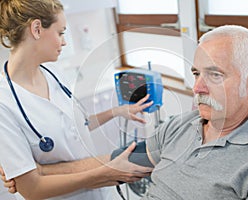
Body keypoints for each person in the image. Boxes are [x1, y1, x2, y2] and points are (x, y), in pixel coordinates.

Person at [2, 23, 248, 199]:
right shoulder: (181, 126)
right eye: (196, 74)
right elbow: (118, 160)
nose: (197, 89)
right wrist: (35, 173)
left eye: (215, 75)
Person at [0, 0, 153, 199]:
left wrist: (117, 112)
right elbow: (31, 189)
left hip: (98, 192)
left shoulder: (53, 72)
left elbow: (77, 125)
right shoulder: (4, 103)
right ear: (37, 29)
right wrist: (105, 173)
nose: (64, 42)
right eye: (60, 32)